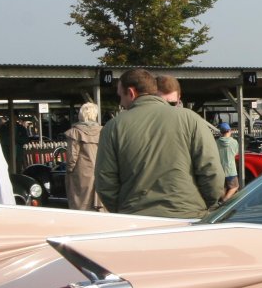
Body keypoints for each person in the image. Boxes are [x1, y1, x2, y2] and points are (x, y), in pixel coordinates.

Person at [94, 69, 223, 217]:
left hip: (136, 218)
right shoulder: (191, 119)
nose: (121, 102)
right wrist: (205, 204)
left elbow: (105, 181)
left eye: (120, 96)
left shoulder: (113, 127)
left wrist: (124, 210)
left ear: (131, 92)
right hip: (189, 215)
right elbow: (211, 169)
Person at [64, 102, 103, 211]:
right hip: (99, 171)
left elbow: (72, 156)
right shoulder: (103, 131)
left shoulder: (75, 132)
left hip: (81, 172)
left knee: (81, 205)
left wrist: (69, 171)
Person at [215, 122, 240, 203]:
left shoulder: (217, 142)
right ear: (230, 131)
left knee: (223, 188)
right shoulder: (234, 142)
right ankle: (224, 201)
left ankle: (221, 202)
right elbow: (236, 153)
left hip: (221, 169)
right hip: (231, 169)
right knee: (235, 186)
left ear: (221, 132)